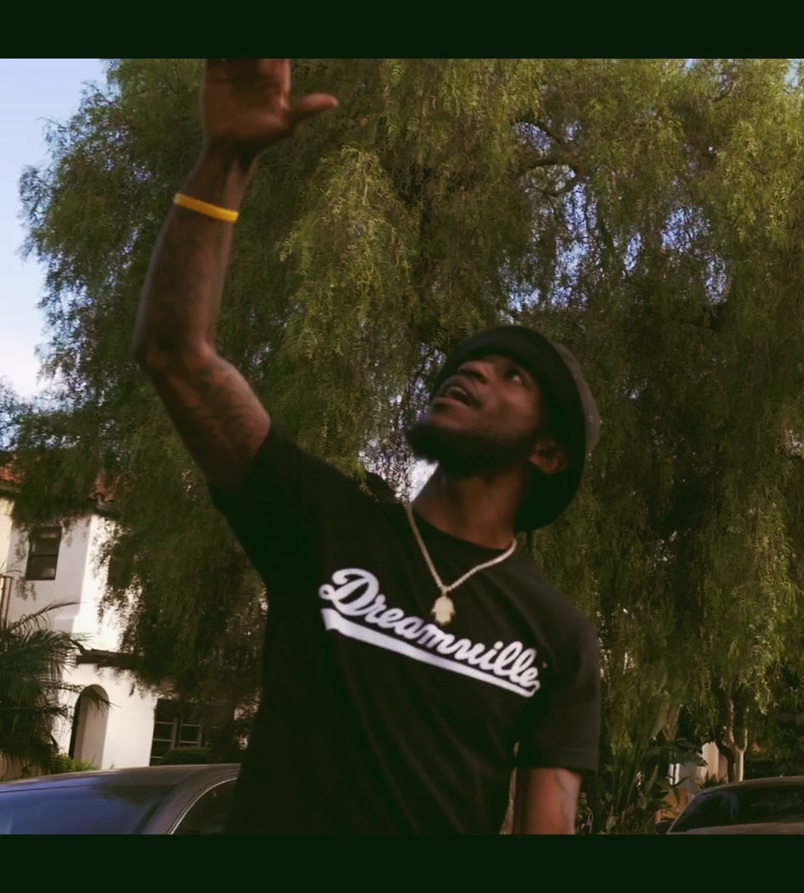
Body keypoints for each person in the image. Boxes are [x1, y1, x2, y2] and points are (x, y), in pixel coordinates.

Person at [131, 59, 602, 834]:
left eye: (511, 374)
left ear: (547, 453)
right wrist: (227, 158)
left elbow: (545, 825)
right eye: (467, 362)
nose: (472, 369)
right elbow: (176, 352)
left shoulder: (558, 634)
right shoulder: (320, 520)